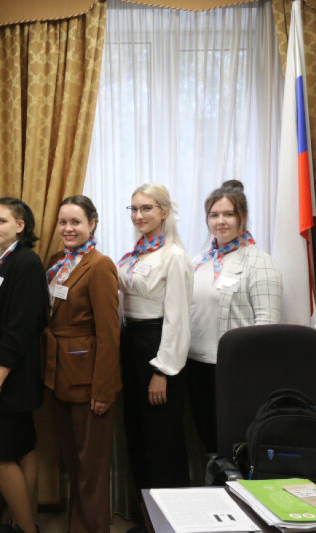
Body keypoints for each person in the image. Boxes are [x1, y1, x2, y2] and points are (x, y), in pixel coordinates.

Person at [43, 195, 120, 533]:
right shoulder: (58, 262)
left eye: (75, 222)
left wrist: (103, 390)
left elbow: (109, 333)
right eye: (63, 222)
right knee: (74, 464)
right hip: (60, 375)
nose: (68, 228)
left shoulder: (99, 265)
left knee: (92, 469)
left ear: (92, 224)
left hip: (89, 381)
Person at [188, 180, 282, 452]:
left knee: (235, 444)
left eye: (228, 214)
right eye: (214, 215)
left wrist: (252, 373)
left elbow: (267, 327)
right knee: (208, 441)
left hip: (236, 370)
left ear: (242, 217)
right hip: (197, 365)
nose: (220, 221)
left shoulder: (260, 262)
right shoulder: (200, 261)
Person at [0, 198, 47, 533]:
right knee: (22, 450)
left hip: (10, 376)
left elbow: (19, 327)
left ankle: (27, 529)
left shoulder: (26, 262)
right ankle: (24, 525)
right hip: (2, 372)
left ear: (20, 226)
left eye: (1, 221)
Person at [117, 183, 193, 492]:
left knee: (162, 437)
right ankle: (144, 511)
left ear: (164, 212)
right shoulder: (135, 255)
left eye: (146, 208)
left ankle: (170, 512)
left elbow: (177, 319)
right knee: (137, 432)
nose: (139, 215)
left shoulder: (173, 256)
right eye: (134, 209)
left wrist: (162, 371)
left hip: (157, 345)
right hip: (132, 341)